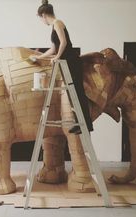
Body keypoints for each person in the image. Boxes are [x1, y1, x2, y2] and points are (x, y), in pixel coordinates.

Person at [33, 0, 93, 134]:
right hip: (66, 62)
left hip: (72, 61)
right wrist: (39, 57)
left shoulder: (58, 23)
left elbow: (64, 42)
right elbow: (54, 47)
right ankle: (79, 123)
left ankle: (87, 124)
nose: (42, 22)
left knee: (77, 92)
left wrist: (57, 57)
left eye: (41, 19)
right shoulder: (53, 27)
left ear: (43, 15)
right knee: (72, 95)